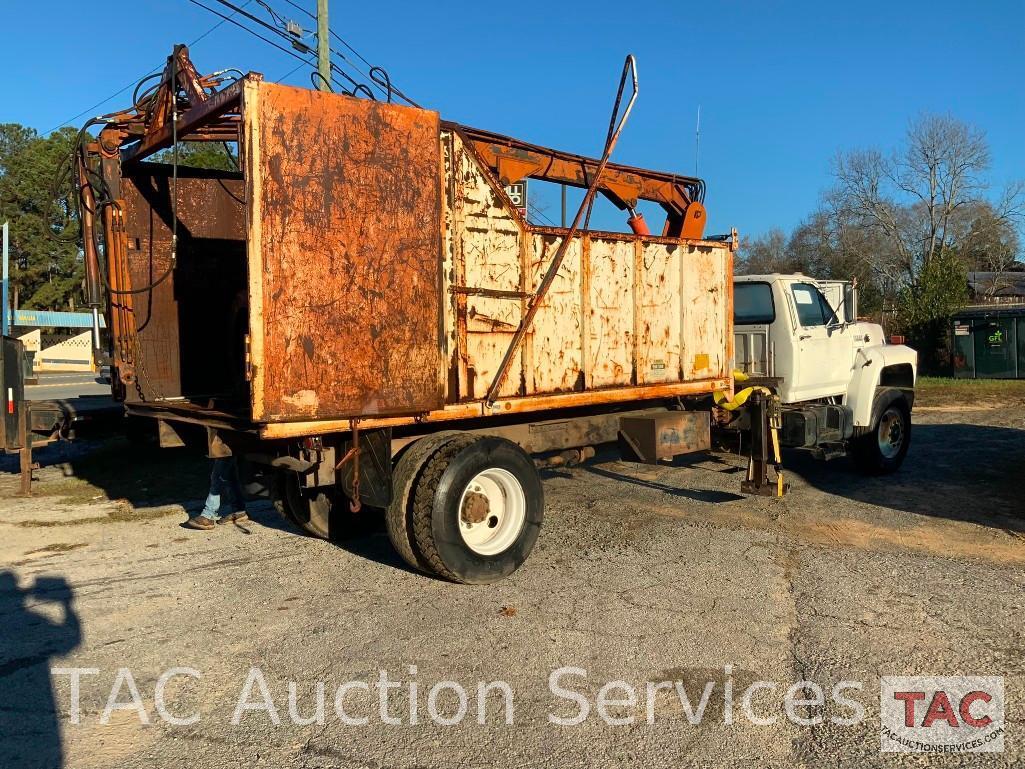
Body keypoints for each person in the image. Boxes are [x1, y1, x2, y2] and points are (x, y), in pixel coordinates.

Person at [186, 455, 249, 530]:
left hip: (225, 445)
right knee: (229, 472)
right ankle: (238, 510)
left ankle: (208, 515)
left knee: (218, 474)